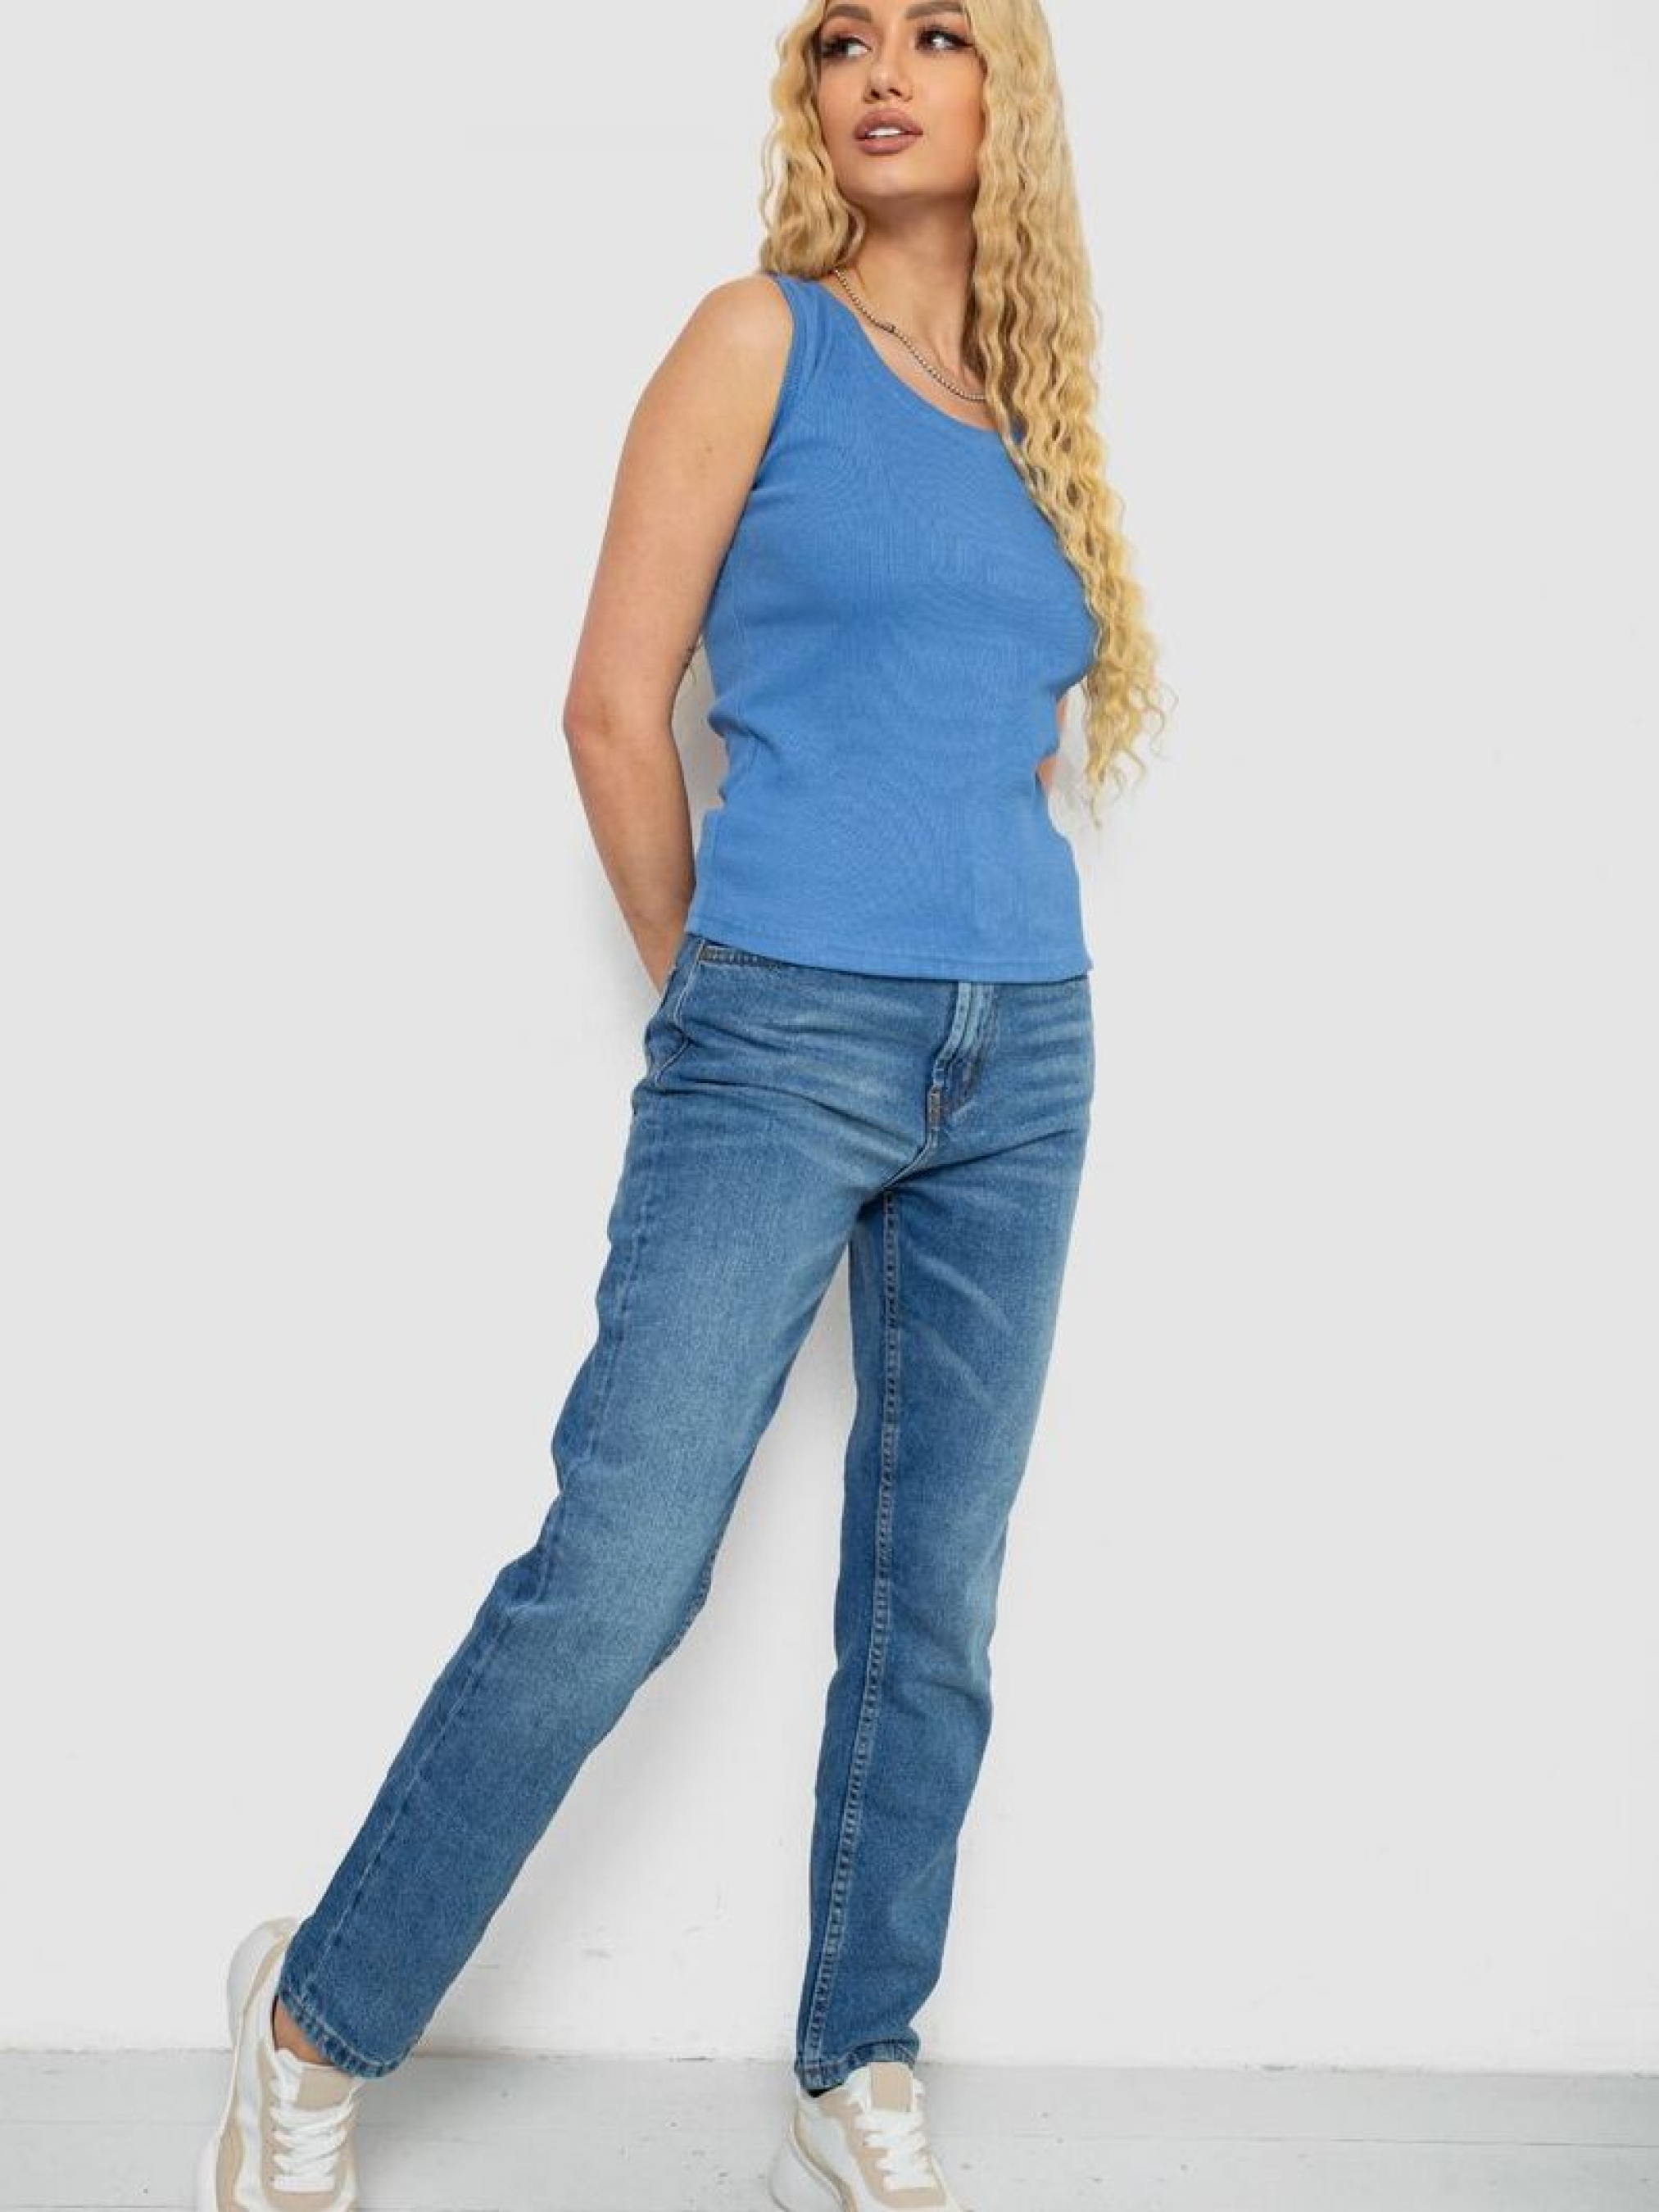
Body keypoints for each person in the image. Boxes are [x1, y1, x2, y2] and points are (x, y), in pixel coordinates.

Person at [196, 2, 1164, 2205]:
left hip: (1025, 1049)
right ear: (811, 99)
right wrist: (713, 1004)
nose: (882, 69)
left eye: (937, 32)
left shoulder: (1033, 413)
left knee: (934, 1594)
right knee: (623, 1571)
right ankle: (313, 2016)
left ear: (1007, 93)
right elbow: (611, 709)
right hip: (780, 1029)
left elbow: (994, 734)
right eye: (842, 40)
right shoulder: (758, 339)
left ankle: (858, 2048)